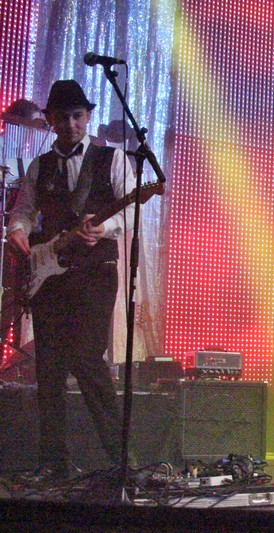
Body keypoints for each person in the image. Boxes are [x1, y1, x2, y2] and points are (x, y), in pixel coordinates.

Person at [7, 80, 135, 482]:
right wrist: (17, 230)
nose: (70, 124)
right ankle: (54, 464)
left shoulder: (112, 158)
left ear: (88, 117)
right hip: (50, 276)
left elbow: (131, 208)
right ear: (50, 119)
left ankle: (123, 462)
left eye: (77, 116)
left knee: (86, 359)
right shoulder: (39, 166)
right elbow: (24, 210)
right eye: (62, 117)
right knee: (48, 370)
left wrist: (105, 227)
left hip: (95, 272)